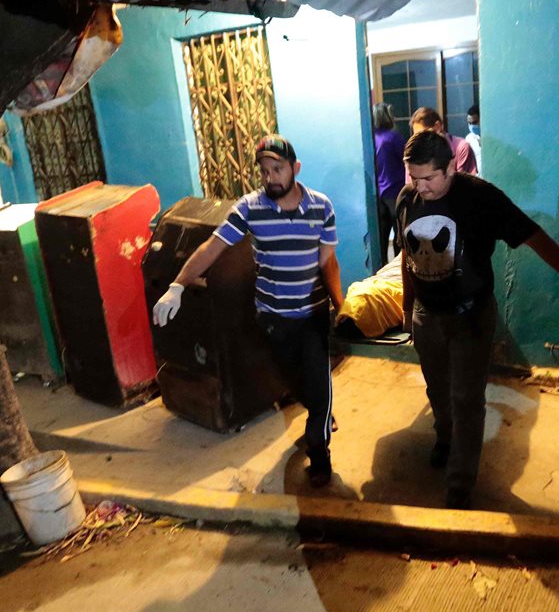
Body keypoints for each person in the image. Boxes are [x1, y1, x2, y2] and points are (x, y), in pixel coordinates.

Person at [397, 130, 559, 509]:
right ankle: (445, 437)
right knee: (437, 390)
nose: (419, 187)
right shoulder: (407, 198)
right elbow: (409, 258)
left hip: (470, 316)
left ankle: (459, 485)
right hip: (428, 316)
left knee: (467, 399)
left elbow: (534, 236)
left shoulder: (481, 198)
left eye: (429, 178)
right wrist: (408, 311)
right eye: (413, 177)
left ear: (452, 167)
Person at [153, 134, 343, 488]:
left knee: (319, 386)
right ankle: (318, 407)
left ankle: (319, 452)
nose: (271, 177)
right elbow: (213, 247)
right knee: (291, 379)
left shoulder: (322, 207)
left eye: (278, 169)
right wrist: (178, 285)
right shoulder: (249, 208)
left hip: (312, 315)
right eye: (265, 171)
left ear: (295, 168)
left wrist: (342, 307)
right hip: (271, 317)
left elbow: (327, 262)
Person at [372, 103, 406, 264]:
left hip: (378, 194)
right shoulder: (394, 137)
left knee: (381, 239)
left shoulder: (371, 139)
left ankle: (381, 273)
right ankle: (399, 273)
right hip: (396, 192)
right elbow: (406, 160)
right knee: (399, 236)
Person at [410, 107, 477, 176]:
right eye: (416, 136)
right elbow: (411, 184)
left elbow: (464, 184)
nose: (419, 140)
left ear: (437, 126)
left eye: (423, 135)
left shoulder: (461, 148)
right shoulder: (415, 153)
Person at [465, 104, 482, 173]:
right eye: (469, 123)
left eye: (474, 122)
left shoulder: (491, 137)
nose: (472, 126)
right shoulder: (469, 139)